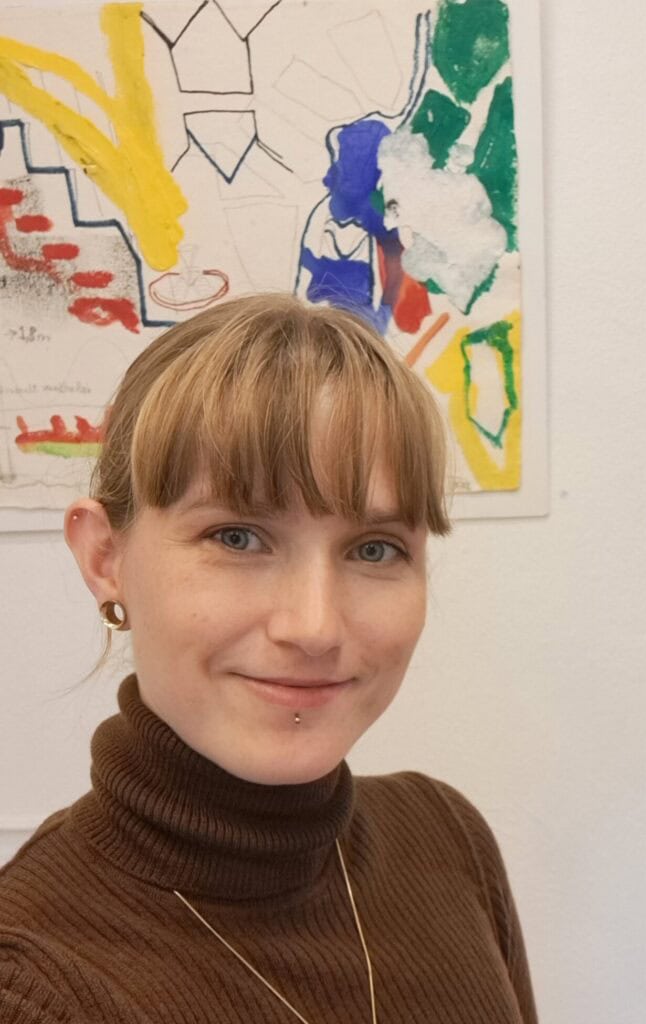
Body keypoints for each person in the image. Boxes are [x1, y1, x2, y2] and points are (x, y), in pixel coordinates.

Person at [0, 294, 537, 1024]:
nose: (314, 627)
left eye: (374, 549)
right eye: (238, 537)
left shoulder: (447, 839)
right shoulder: (33, 988)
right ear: (105, 558)